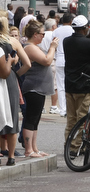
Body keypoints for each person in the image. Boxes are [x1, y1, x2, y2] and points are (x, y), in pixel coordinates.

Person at [63, 15, 90, 155]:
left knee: (71, 119)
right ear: (85, 28)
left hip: (70, 85)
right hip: (85, 86)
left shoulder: (66, 41)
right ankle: (75, 147)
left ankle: (68, 145)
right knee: (82, 118)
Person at [21, 21, 57, 158]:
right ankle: (28, 149)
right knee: (31, 118)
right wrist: (52, 47)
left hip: (39, 88)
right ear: (35, 34)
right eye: (42, 34)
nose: (43, 37)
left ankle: (34, 148)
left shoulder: (35, 46)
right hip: (34, 87)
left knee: (35, 119)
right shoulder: (30, 47)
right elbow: (47, 60)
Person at [0, 17, 28, 166]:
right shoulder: (12, 42)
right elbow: (27, 63)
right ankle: (11, 156)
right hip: (9, 79)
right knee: (12, 118)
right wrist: (16, 74)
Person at [51, 13, 74, 117]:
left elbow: (53, 44)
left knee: (60, 85)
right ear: (71, 21)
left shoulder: (56, 31)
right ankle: (71, 108)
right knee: (71, 84)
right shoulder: (73, 30)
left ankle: (63, 109)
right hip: (70, 59)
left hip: (59, 59)